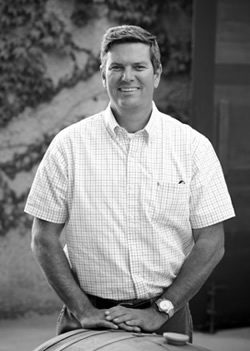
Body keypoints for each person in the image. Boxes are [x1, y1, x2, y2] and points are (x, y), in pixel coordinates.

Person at [24, 25, 235, 341]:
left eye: (139, 66)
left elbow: (212, 241)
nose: (127, 77)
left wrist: (160, 310)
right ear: (103, 74)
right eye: (117, 67)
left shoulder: (193, 147)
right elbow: (43, 237)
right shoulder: (68, 145)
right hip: (86, 318)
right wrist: (82, 309)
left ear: (157, 73)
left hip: (167, 317)